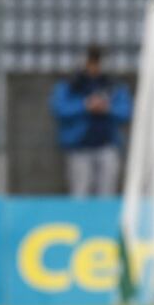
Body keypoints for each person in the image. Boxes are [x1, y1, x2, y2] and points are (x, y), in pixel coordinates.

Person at [50, 45, 132, 197]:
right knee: (80, 193)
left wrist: (107, 108)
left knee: (107, 194)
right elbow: (59, 109)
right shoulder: (71, 85)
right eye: (91, 62)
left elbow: (125, 112)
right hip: (79, 147)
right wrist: (85, 105)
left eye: (97, 62)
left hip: (107, 146)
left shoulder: (114, 85)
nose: (94, 67)